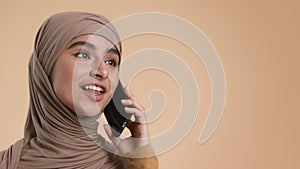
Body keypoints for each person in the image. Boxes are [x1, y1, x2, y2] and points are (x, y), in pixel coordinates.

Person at [0, 11, 158, 169]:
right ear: (46, 66)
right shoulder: (6, 163)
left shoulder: (127, 165)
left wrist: (141, 162)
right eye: (83, 55)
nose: (102, 71)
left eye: (110, 61)